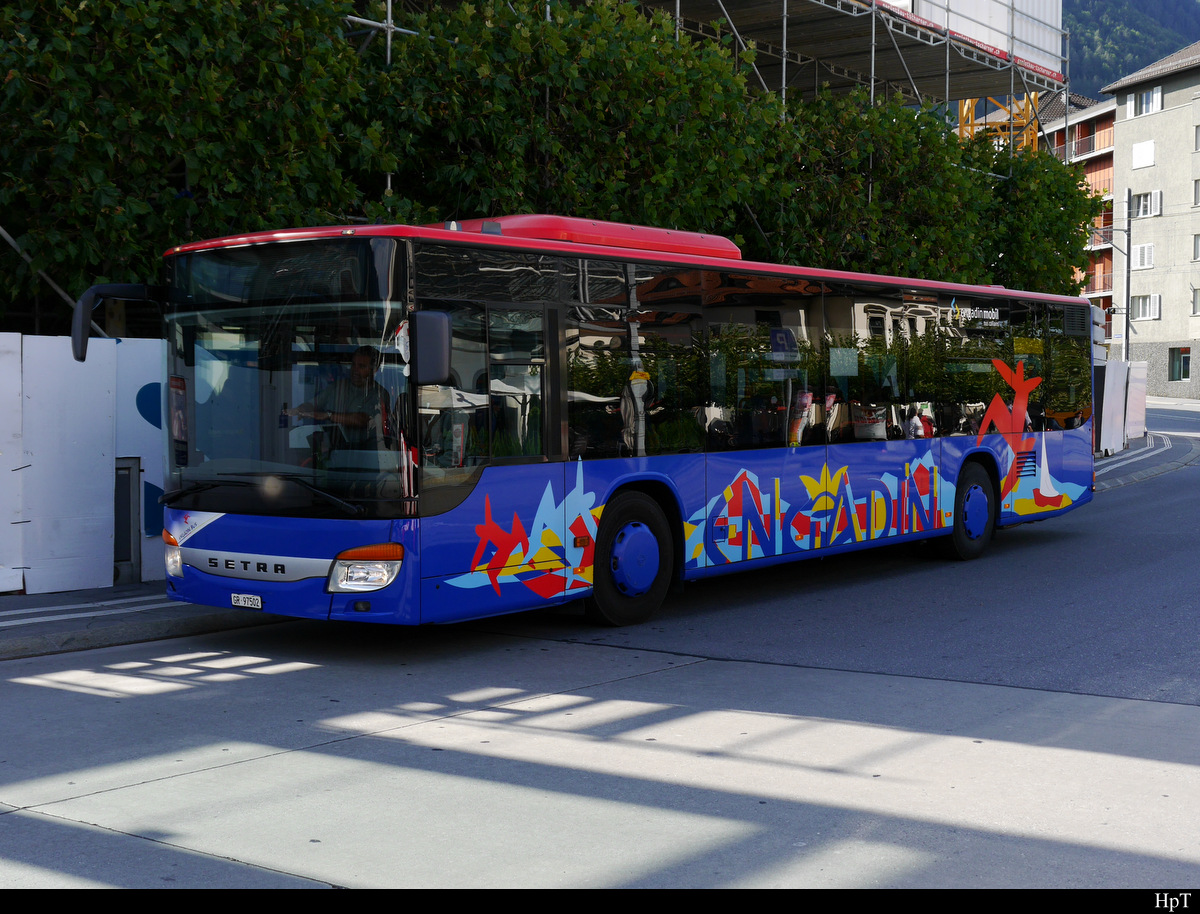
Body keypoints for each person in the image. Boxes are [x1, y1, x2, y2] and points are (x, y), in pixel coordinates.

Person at [287, 346, 390, 448]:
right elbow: (314, 403)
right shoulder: (338, 387)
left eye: (361, 366)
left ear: (374, 370)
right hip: (333, 450)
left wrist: (328, 415)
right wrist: (299, 410)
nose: (355, 370)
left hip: (364, 453)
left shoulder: (379, 393)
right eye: (353, 365)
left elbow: (362, 420)